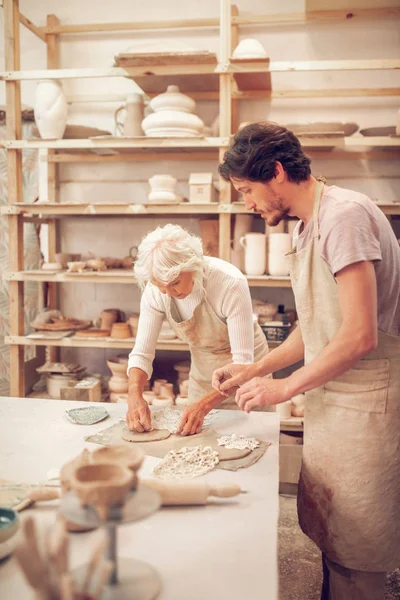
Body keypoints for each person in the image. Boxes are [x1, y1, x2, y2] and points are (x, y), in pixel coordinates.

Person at [212, 122, 400, 600]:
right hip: (336, 402)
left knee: (359, 559)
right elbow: (316, 326)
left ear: (275, 173)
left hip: (367, 405)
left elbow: (358, 335)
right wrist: (255, 369)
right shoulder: (307, 224)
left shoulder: (344, 217)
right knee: (336, 547)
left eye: (246, 190)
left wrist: (285, 387)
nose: (247, 204)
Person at [126, 223, 269, 436]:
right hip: (203, 374)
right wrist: (134, 394)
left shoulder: (229, 283)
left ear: (193, 265)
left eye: (175, 283)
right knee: (195, 443)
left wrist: (203, 406)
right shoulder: (158, 290)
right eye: (159, 285)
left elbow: (243, 366)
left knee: (250, 445)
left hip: (248, 375)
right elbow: (142, 353)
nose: (168, 293)